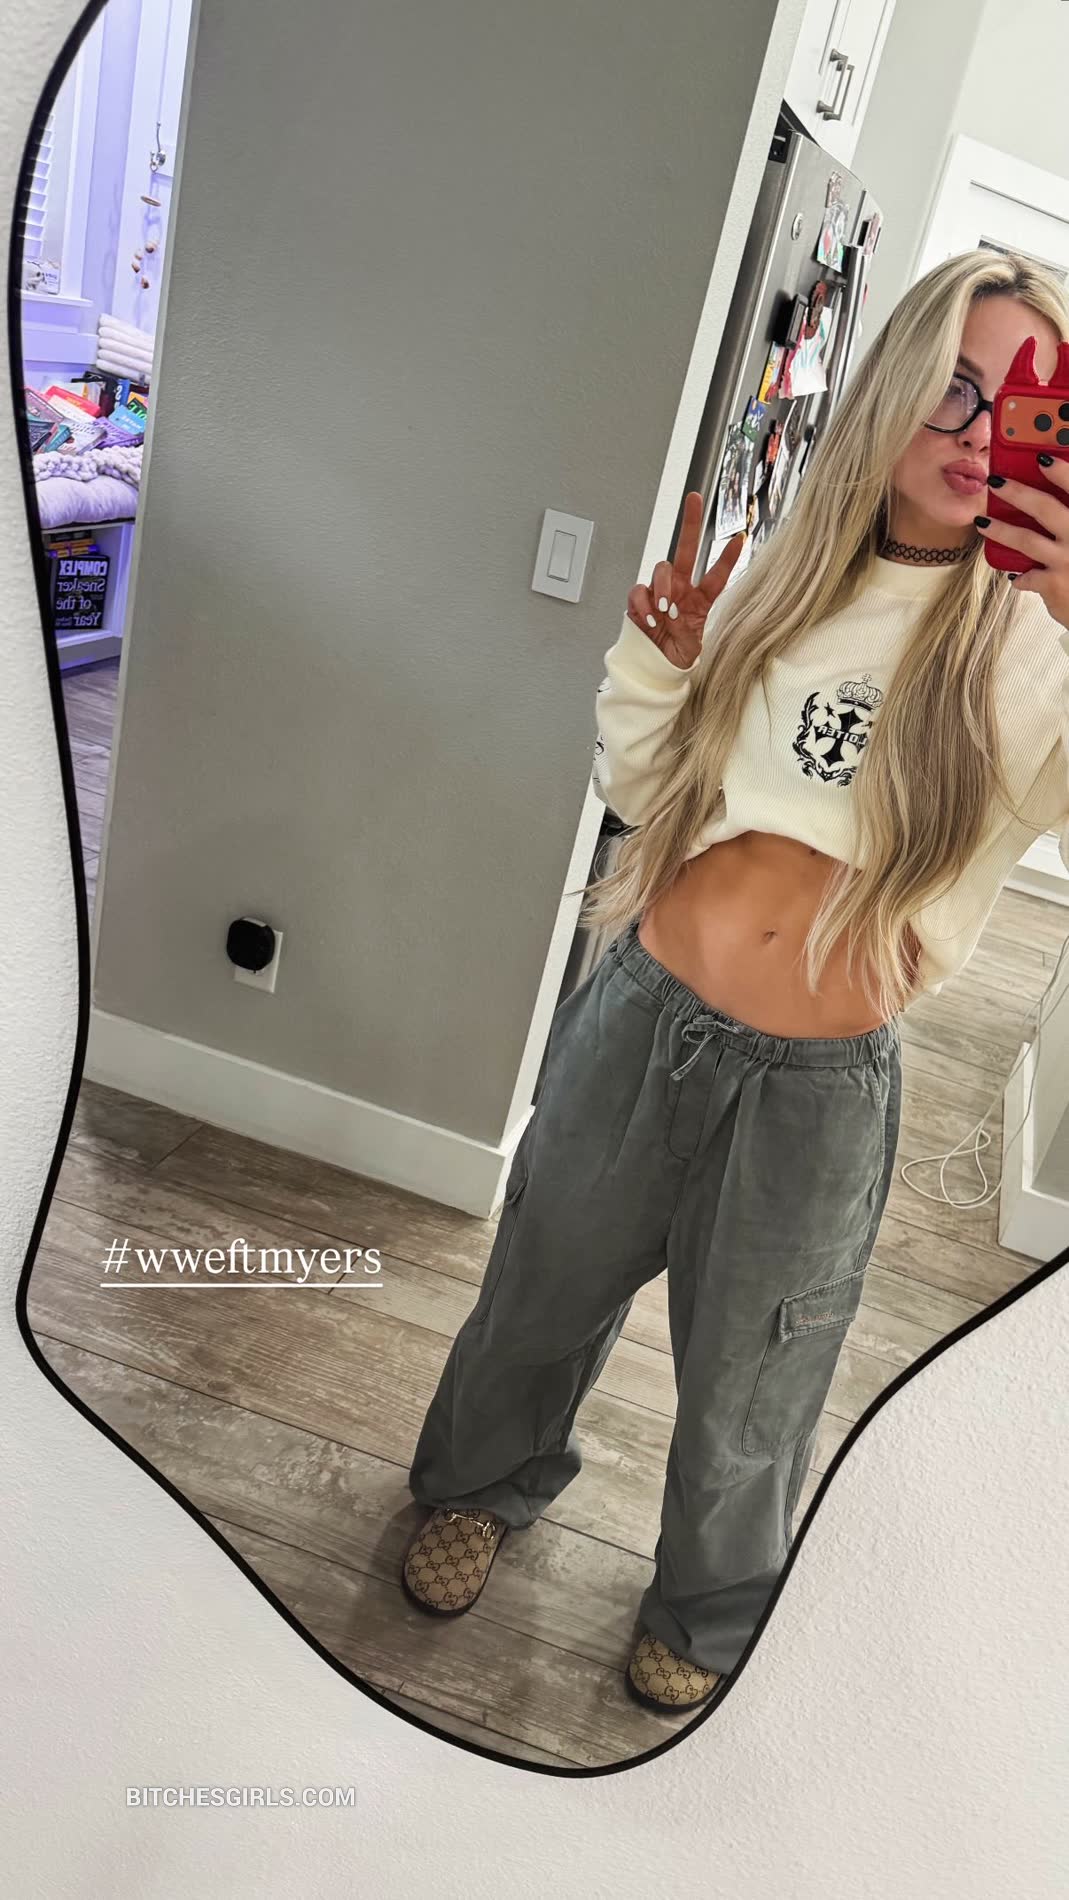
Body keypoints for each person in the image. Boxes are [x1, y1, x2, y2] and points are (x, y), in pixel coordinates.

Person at [402, 251, 1069, 1717]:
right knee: (537, 1291)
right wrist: (655, 666)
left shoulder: (1038, 647)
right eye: (953, 386)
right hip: (643, 1017)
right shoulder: (784, 569)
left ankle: (706, 1612)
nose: (978, 430)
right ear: (891, 386)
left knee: (756, 1391)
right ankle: (478, 1486)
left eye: (1025, 402)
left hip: (818, 1092)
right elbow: (649, 792)